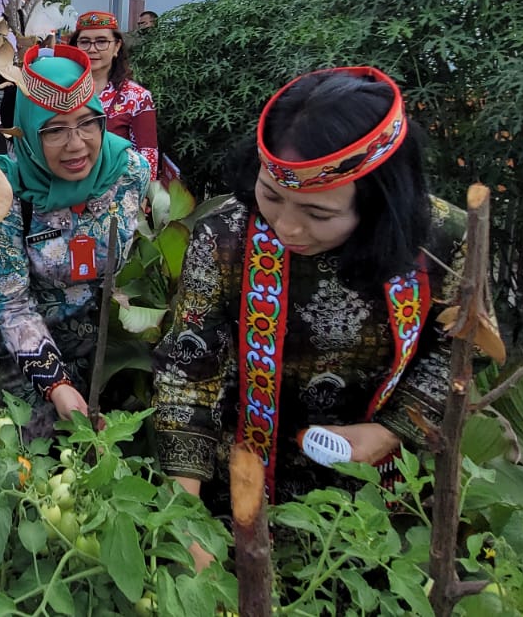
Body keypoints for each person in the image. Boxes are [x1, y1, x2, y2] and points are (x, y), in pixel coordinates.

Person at [151, 67, 470, 535]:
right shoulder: (225, 236)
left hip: (375, 501)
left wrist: (392, 430)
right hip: (235, 491)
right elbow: (188, 374)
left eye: (319, 213)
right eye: (270, 196)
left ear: (381, 203)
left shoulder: (443, 243)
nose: (287, 228)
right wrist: (187, 526)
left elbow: (460, 350)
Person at [0, 44, 151, 436]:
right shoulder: (4, 188)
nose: (76, 144)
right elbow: (11, 303)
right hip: (21, 350)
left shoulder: (128, 172)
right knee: (30, 472)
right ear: (28, 131)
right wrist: (55, 383)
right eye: (54, 130)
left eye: (88, 123)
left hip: (103, 348)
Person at [69, 11, 161, 180]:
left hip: (118, 193)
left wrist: (143, 196)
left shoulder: (136, 97)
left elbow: (148, 153)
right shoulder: (62, 91)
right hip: (66, 190)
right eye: (84, 42)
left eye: (102, 41)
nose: (92, 49)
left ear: (116, 47)